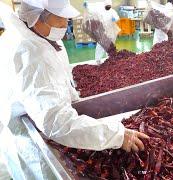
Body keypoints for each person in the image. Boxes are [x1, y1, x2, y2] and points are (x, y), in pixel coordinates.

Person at [0, 0, 148, 158]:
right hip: (30, 134)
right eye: (59, 18)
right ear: (36, 18)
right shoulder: (31, 52)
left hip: (38, 120)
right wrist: (116, 135)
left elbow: (59, 80)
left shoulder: (40, 37)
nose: (65, 24)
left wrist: (77, 102)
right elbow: (55, 121)